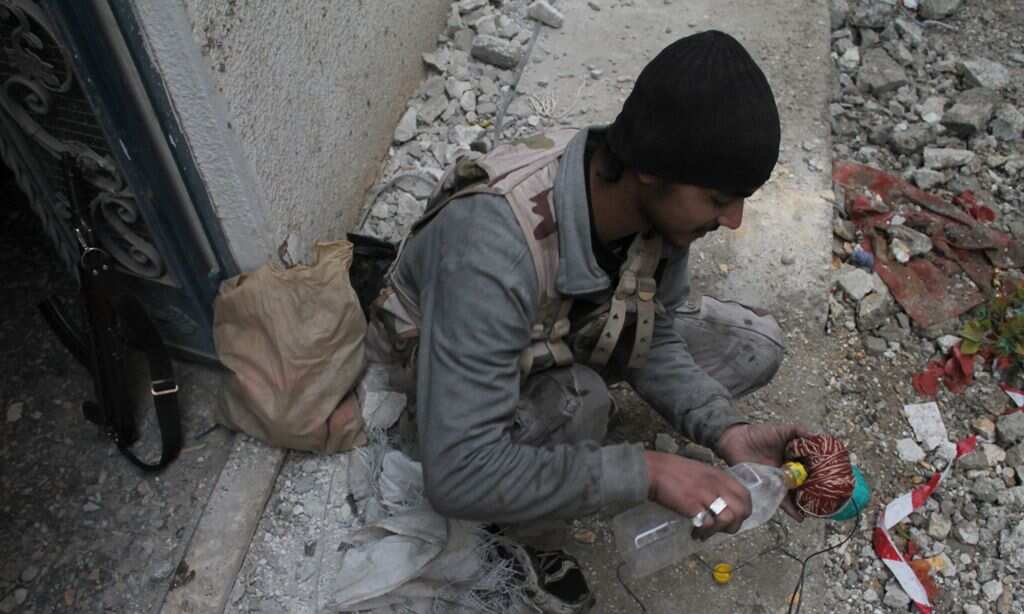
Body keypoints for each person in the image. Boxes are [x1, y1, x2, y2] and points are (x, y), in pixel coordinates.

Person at [364, 30, 812, 612]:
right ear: (651, 169)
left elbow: (657, 332)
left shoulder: (650, 199)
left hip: (546, 334)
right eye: (719, 198)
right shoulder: (491, 245)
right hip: (439, 393)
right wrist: (646, 471)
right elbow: (458, 474)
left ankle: (564, 440)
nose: (733, 220)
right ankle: (506, 537)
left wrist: (726, 431)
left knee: (754, 346)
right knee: (582, 401)